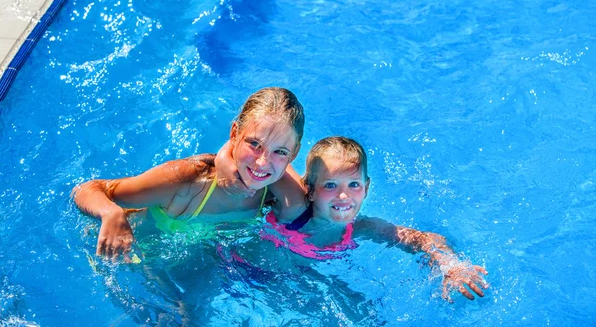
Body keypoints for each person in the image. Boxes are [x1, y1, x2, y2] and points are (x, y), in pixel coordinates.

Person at [218, 136, 489, 301]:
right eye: (331, 185)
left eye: (354, 185)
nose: (344, 197)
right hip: (233, 271)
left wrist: (451, 265)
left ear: (367, 188)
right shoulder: (294, 206)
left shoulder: (361, 227)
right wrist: (229, 173)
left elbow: (423, 239)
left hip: (282, 285)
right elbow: (245, 151)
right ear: (310, 189)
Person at [72, 87, 304, 262]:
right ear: (234, 134)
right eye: (254, 143)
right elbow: (87, 189)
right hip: (125, 256)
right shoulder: (188, 181)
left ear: (293, 154)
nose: (263, 162)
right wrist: (110, 213)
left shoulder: (271, 195)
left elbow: (300, 203)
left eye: (279, 151)